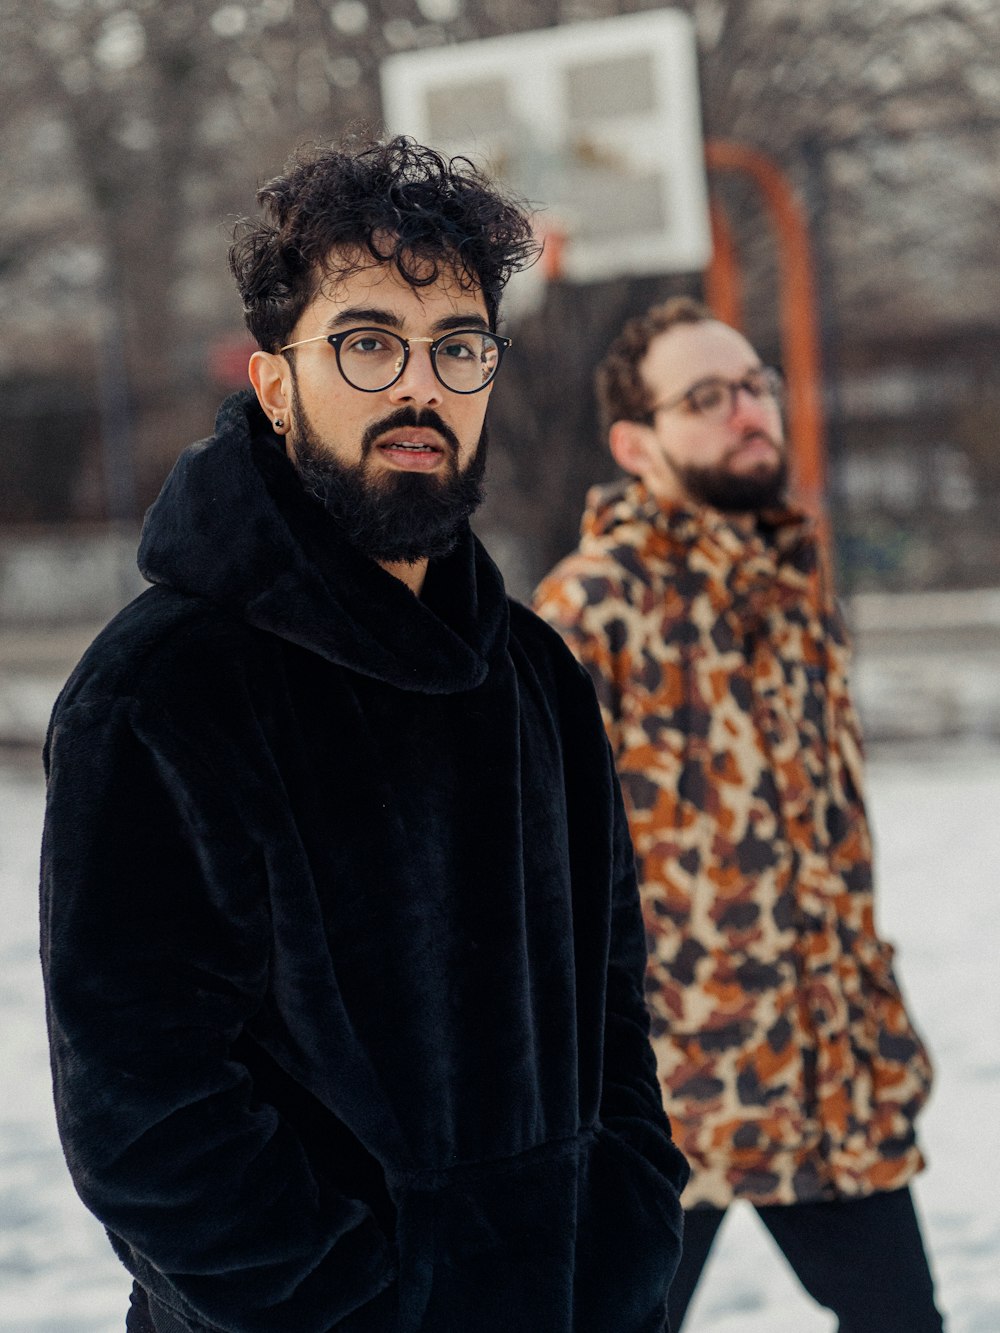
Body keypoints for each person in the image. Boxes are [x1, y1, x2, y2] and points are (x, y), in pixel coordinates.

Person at [39, 138, 688, 1333]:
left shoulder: (536, 675)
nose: (420, 386)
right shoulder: (160, 690)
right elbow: (148, 1114)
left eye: (457, 347)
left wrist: (627, 1245)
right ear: (275, 381)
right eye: (367, 341)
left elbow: (613, 1021)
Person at [533, 296, 943, 1332]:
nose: (747, 411)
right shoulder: (590, 607)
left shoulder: (794, 587)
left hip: (825, 1072)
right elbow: (536, 864)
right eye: (706, 397)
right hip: (666, 1093)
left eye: (755, 385)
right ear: (636, 442)